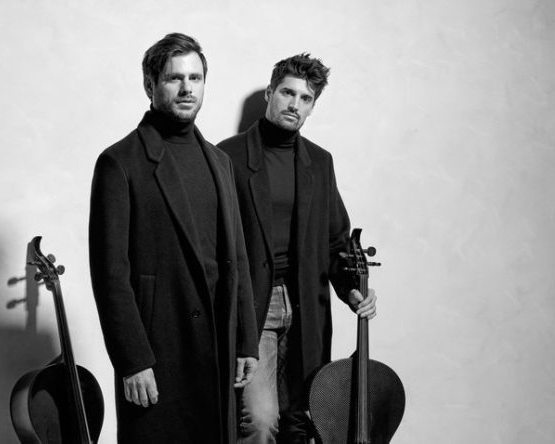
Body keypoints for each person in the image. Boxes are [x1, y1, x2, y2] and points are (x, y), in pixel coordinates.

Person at [88, 33, 259, 444]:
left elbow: (237, 256)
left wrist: (246, 340)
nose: (187, 88)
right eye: (174, 78)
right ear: (150, 85)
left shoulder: (219, 161)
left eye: (195, 78)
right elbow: (110, 275)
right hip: (159, 352)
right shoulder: (119, 162)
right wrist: (132, 360)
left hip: (217, 348)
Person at [217, 54, 378, 443]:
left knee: (302, 420)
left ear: (312, 106)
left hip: (305, 303)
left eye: (305, 98)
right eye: (287, 93)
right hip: (254, 304)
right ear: (270, 93)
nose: (294, 104)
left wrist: (353, 290)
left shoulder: (319, 162)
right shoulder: (227, 156)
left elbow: (336, 239)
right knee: (259, 419)